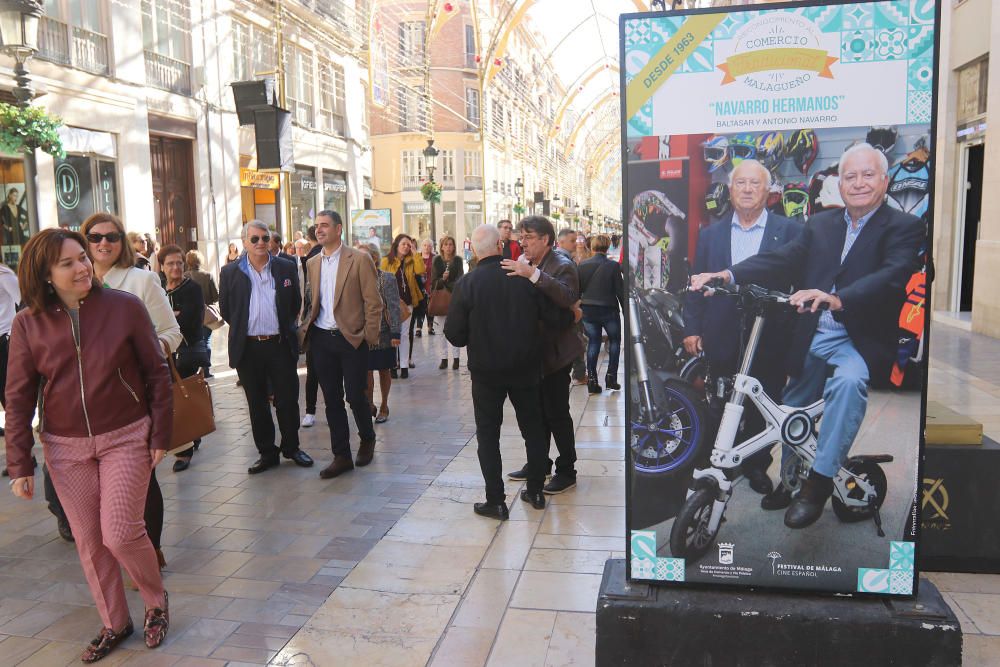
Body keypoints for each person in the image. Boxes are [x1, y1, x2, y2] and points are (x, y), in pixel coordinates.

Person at [690, 143, 925, 529]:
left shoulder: (904, 226)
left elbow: (893, 276)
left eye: (868, 175)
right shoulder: (821, 223)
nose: (859, 183)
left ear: (885, 180)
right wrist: (728, 275)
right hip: (813, 333)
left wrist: (837, 298)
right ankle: (790, 480)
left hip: (857, 336)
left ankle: (818, 484)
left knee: (848, 385)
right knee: (790, 407)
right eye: (850, 176)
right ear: (840, 183)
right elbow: (781, 259)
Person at [6, 228, 172, 661]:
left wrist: (161, 433)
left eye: (82, 257)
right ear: (45, 274)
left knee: (120, 533)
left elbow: (156, 372)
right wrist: (20, 462)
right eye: (68, 263)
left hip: (125, 435)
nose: (82, 266)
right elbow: (19, 394)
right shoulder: (27, 323)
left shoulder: (124, 307)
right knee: (89, 541)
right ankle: (115, 621)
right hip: (65, 446)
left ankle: (155, 601)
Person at [51, 213, 182, 568]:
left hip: (133, 397)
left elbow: (172, 332)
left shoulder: (141, 280)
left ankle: (150, 550)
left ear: (122, 241)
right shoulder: (68, 284)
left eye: (111, 237)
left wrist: (141, 352)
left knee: (145, 479)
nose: (103, 244)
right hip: (84, 405)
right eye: (94, 238)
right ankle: (114, 548)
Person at [683, 159, 801, 497]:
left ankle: (756, 465)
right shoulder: (710, 234)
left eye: (755, 184)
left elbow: (799, 282)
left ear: (769, 192)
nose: (747, 190)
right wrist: (692, 327)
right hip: (721, 332)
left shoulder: (789, 231)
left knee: (764, 403)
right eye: (740, 184)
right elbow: (695, 282)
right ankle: (722, 462)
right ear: (731, 190)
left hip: (771, 335)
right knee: (721, 399)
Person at [445, 225, 573, 518]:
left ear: (475, 251)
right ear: (501, 245)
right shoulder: (523, 277)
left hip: (486, 372)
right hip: (526, 368)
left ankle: (496, 500)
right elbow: (557, 316)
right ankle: (536, 491)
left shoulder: (468, 283)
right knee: (533, 430)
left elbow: (455, 334)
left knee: (488, 434)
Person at [219, 220, 314, 474]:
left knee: (287, 400)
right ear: (244, 243)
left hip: (279, 344)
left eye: (265, 238)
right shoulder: (230, 272)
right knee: (257, 403)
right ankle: (267, 452)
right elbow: (228, 310)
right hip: (248, 348)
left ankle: (291, 448)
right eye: (255, 239)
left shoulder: (285, 267)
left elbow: (295, 303)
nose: (261, 243)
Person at [502, 216, 584, 495]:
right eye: (521, 237)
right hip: (534, 353)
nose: (522, 242)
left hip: (556, 355)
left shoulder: (561, 264)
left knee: (557, 413)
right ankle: (539, 463)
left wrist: (532, 276)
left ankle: (567, 470)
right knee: (536, 414)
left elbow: (567, 294)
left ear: (546, 240)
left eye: (529, 237)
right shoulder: (530, 264)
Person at [300, 210, 383, 479]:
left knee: (356, 395)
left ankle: (367, 438)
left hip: (351, 338)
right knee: (332, 399)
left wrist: (368, 336)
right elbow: (312, 300)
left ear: (339, 229)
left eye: (325, 225)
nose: (320, 230)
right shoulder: (312, 263)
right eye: (317, 226)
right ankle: (341, 455)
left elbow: (374, 302)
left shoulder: (359, 259)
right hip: (322, 339)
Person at [160, 244, 207, 472]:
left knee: (182, 397)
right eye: (170, 263)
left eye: (179, 262)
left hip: (187, 351)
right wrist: (173, 315)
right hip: (164, 353)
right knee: (173, 399)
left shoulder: (193, 288)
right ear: (161, 267)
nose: (176, 267)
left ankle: (184, 452)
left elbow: (189, 320)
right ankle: (190, 438)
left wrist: (168, 318)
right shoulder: (158, 289)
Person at [578, 234, 625, 394]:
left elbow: (578, 291)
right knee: (614, 342)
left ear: (592, 247)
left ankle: (592, 379)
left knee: (593, 342)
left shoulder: (582, 265)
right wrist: (626, 312)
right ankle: (611, 378)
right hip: (608, 310)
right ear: (607, 247)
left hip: (588, 310)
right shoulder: (613, 266)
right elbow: (620, 291)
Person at [363, 244, 401, 423]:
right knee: (366, 370)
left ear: (374, 259)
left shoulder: (387, 278)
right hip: (362, 332)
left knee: (384, 370)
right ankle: (369, 404)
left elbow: (393, 306)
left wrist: (395, 333)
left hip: (384, 332)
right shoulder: (356, 279)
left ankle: (384, 405)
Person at [380, 234, 424, 378]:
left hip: (408, 302)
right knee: (394, 334)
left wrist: (416, 253)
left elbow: (420, 271)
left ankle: (404, 365)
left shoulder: (412, 260)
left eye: (408, 244)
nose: (406, 247)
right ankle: (393, 365)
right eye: (403, 244)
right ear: (396, 245)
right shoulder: (387, 260)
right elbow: (381, 279)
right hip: (392, 303)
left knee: (405, 334)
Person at [555, 228, 587, 385]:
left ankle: (578, 374)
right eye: (572, 241)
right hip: (570, 310)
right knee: (577, 340)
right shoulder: (563, 260)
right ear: (561, 242)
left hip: (570, 309)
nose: (576, 244)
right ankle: (579, 375)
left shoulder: (564, 258)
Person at [300, 225, 323, 428]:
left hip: (332, 328)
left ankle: (311, 411)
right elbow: (306, 296)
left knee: (317, 373)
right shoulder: (311, 259)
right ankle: (310, 410)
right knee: (314, 371)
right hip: (314, 325)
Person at [185, 249, 219, 378]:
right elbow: (216, 296)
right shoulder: (208, 276)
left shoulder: (184, 277)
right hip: (206, 315)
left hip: (189, 315)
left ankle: (193, 371)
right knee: (206, 341)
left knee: (193, 342)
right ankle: (206, 370)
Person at [432, 235, 464, 369]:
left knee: (455, 328)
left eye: (451, 244)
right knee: (440, 331)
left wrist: (449, 284)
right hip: (440, 299)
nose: (448, 247)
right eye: (446, 244)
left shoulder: (458, 260)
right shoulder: (437, 260)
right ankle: (444, 358)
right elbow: (434, 282)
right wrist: (442, 280)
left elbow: (460, 279)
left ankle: (456, 358)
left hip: (454, 298)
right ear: (442, 247)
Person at [0, 262, 18, 439]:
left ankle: (25, 453)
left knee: (9, 397)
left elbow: (24, 301)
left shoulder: (4, 275)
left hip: (4, 339)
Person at [415, 238, 436, 337]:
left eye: (429, 245)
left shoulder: (435, 257)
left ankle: (430, 327)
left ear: (432, 247)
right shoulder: (417, 257)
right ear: (421, 246)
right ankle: (418, 328)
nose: (427, 247)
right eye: (424, 245)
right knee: (420, 307)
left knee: (430, 307)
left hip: (431, 285)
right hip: (419, 285)